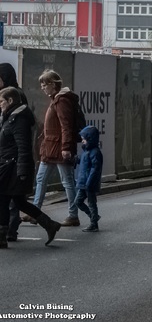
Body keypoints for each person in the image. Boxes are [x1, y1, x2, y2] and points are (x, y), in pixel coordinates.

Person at [0, 87, 61, 248]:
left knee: (4, 199)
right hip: (9, 166)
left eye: (1, 101)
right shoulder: (10, 117)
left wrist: (22, 171)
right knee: (19, 202)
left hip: (13, 167)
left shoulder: (19, 119)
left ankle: (2, 237)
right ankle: (50, 225)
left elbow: (23, 146)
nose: (0, 104)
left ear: (10, 101)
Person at [28, 70, 80, 227]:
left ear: (53, 85)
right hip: (51, 148)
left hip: (57, 148)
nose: (42, 88)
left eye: (44, 85)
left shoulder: (61, 101)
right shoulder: (57, 100)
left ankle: (73, 215)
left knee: (67, 182)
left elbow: (66, 126)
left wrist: (66, 147)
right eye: (41, 85)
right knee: (42, 179)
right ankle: (35, 212)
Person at [0, 63, 29, 241]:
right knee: (13, 198)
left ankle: (9, 230)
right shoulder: (4, 96)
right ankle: (48, 224)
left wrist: (22, 165)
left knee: (11, 198)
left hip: (13, 158)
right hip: (5, 155)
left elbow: (20, 137)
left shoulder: (16, 97)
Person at [74, 126, 103, 232]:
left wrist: (90, 182)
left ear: (90, 139)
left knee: (91, 203)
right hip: (83, 182)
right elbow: (82, 162)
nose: (82, 140)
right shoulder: (86, 151)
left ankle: (94, 223)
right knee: (78, 202)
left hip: (89, 183)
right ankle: (93, 217)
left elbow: (95, 169)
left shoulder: (94, 152)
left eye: (84, 138)